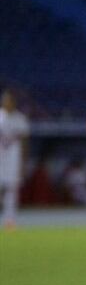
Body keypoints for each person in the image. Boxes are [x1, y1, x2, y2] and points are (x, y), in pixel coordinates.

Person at [0, 89, 29, 230]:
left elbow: (24, 143)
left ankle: (9, 220)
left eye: (10, 100)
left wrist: (23, 162)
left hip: (13, 160)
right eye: (5, 100)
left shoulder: (20, 119)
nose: (7, 103)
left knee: (11, 190)